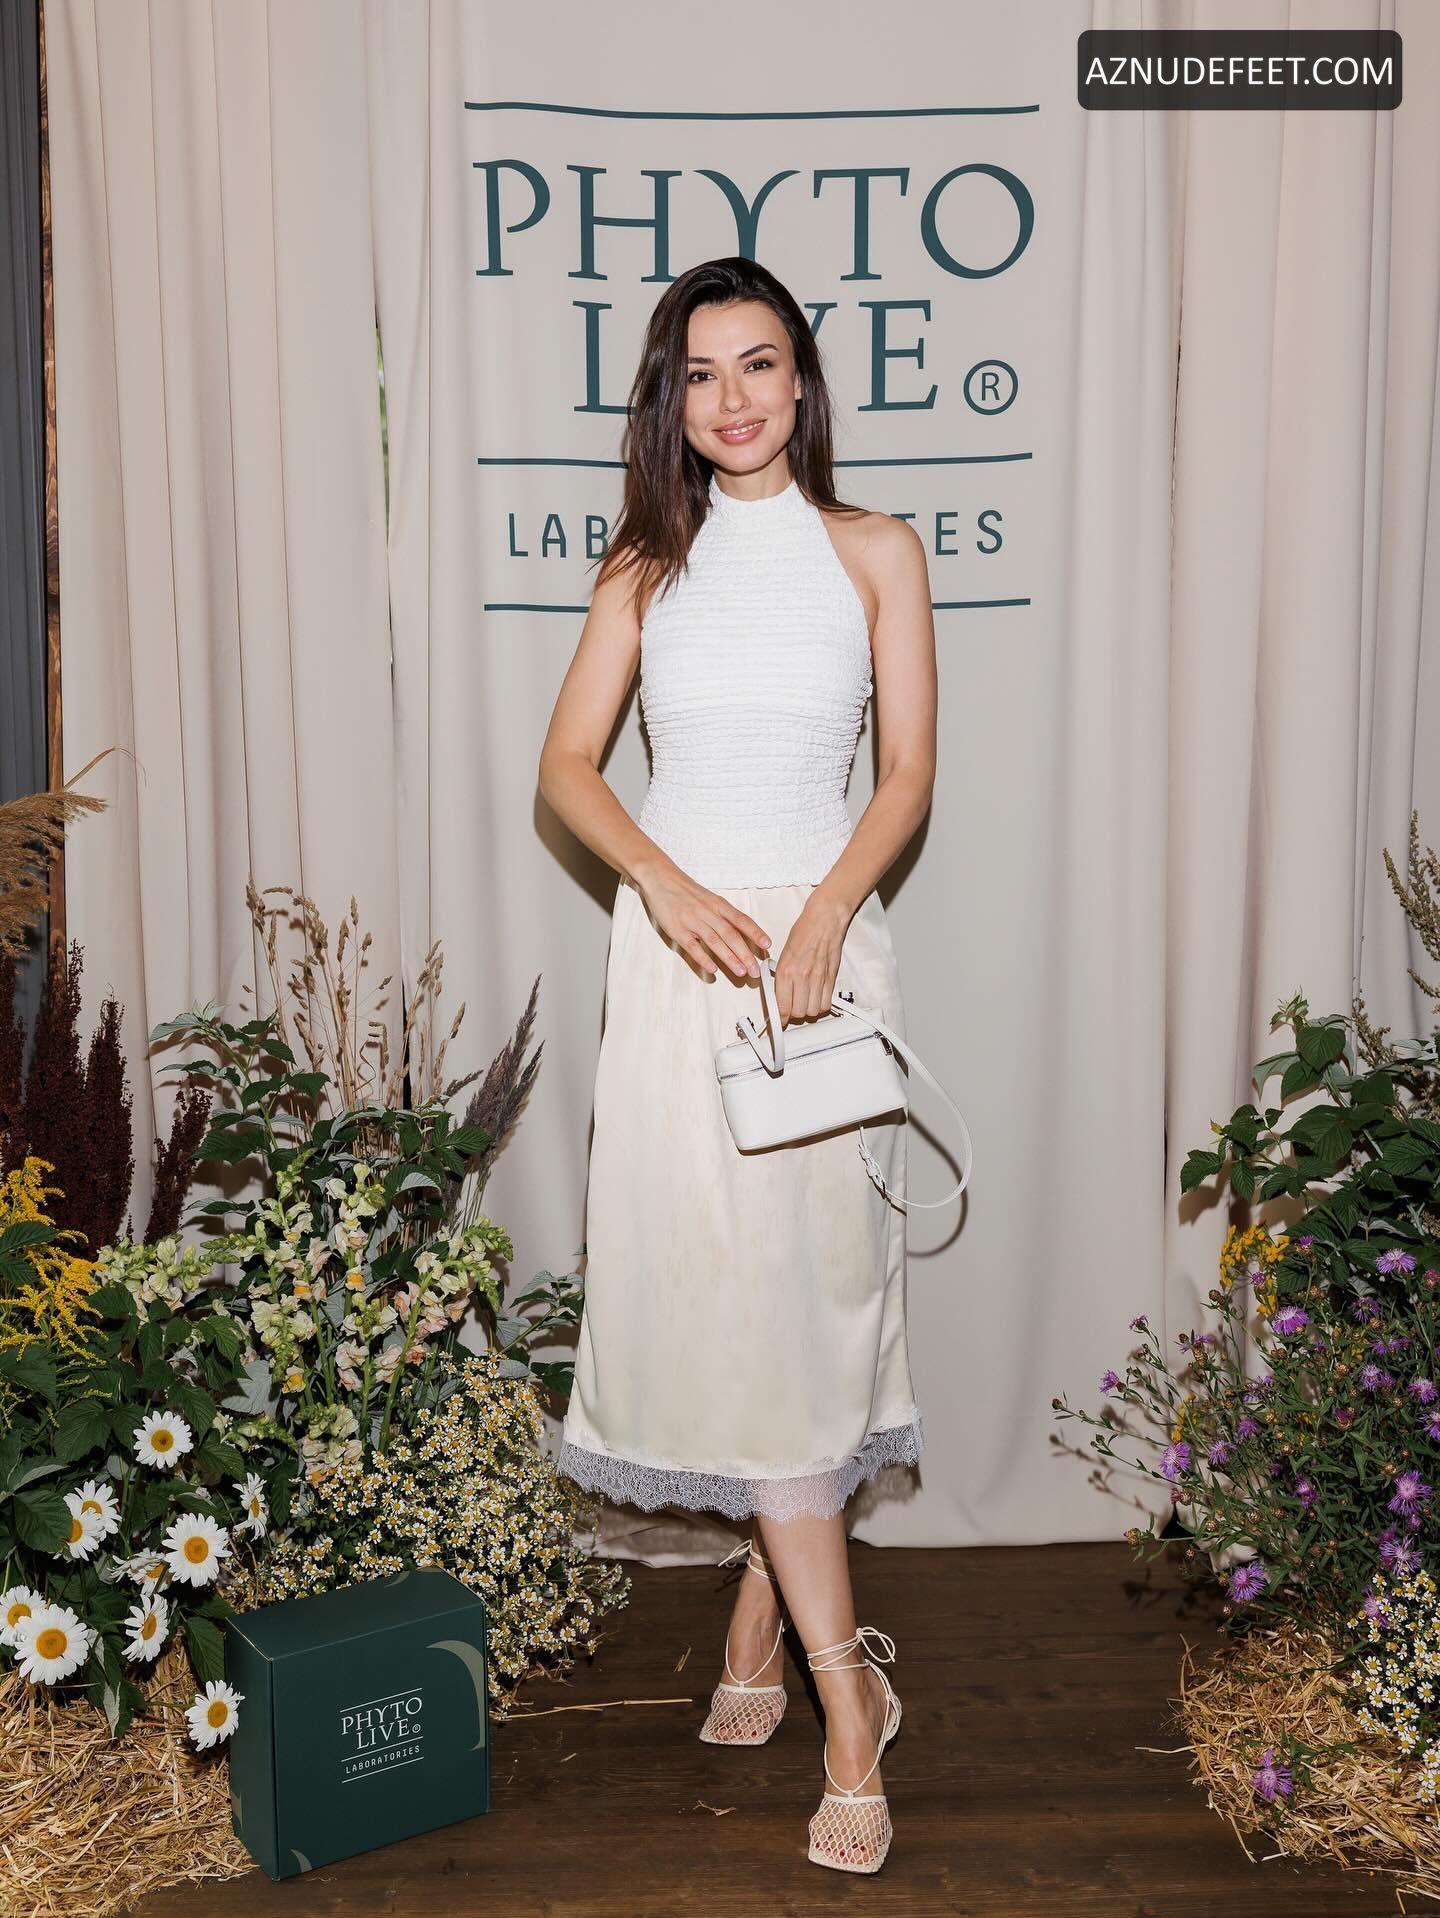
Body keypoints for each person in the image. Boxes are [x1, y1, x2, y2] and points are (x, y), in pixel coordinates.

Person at [537, 255, 938, 1876]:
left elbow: (906, 775)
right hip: (682, 964)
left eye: (758, 363)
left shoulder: (876, 551)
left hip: (820, 968)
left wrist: (828, 907)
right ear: (671, 401)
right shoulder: (645, 568)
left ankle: (838, 1698)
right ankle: (812, 1659)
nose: (733, 398)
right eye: (700, 374)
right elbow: (570, 766)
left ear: (802, 378)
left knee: (804, 1308)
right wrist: (662, 882)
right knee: (729, 1305)